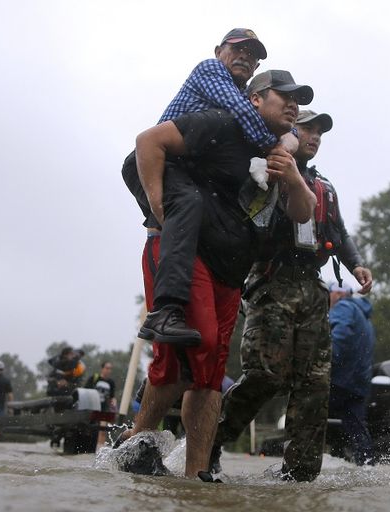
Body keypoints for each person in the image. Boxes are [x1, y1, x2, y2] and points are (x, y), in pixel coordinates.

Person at [122, 70, 317, 478]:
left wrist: (294, 176)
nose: (293, 105)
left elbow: (302, 213)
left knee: (210, 375)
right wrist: (160, 210)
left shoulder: (283, 155)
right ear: (255, 100)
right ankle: (137, 440)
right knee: (197, 346)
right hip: (187, 254)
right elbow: (148, 143)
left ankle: (196, 475)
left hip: (232, 271)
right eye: (284, 96)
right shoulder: (220, 123)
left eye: (298, 99)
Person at [211, 109, 374, 481]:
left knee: (315, 382)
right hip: (271, 282)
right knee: (266, 374)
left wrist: (357, 265)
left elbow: (339, 231)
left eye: (320, 132)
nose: (315, 137)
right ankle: (209, 441)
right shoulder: (266, 170)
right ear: (290, 131)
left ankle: (299, 472)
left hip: (313, 288)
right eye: (308, 129)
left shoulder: (325, 187)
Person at [124, 28, 298, 346]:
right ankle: (165, 312)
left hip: (186, 170)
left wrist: (289, 138)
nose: (246, 56)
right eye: (239, 49)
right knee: (189, 204)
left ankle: (158, 384)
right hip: (157, 159)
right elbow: (251, 117)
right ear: (219, 50)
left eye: (254, 54)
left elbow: (285, 129)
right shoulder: (211, 70)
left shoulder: (243, 96)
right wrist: (158, 205)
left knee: (200, 210)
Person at [326, 283, 376, 466]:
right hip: (358, 383)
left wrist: (326, 361)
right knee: (356, 429)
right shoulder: (365, 318)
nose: (335, 297)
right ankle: (367, 469)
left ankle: (299, 469)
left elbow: (340, 337)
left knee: (309, 418)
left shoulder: (343, 307)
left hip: (338, 380)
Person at [84, 361, 117, 449]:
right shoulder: (94, 378)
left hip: (104, 409)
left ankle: (100, 449)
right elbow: (86, 390)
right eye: (107, 368)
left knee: (103, 430)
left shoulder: (111, 382)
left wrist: (114, 406)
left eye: (110, 369)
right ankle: (89, 447)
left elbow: (112, 396)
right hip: (93, 408)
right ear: (102, 368)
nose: (108, 370)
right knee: (91, 429)